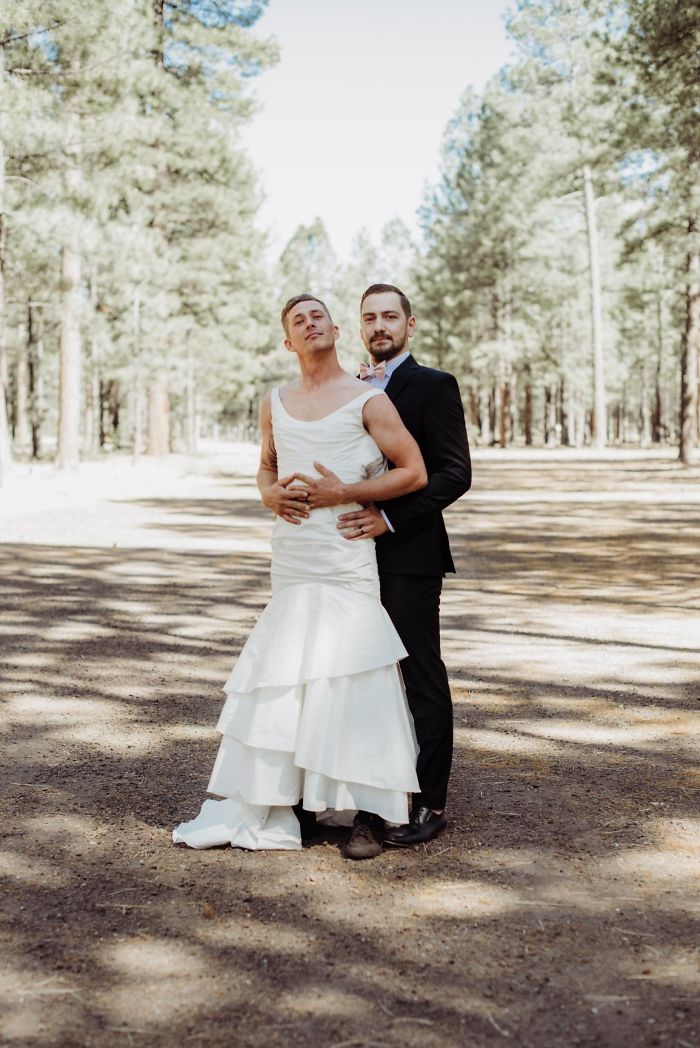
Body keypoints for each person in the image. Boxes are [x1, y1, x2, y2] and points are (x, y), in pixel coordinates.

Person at [173, 293, 427, 859]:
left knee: (354, 670)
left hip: (343, 552)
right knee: (290, 671)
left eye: (318, 316)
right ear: (288, 341)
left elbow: (414, 471)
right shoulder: (275, 401)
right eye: (297, 320)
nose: (310, 324)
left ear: (336, 330)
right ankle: (287, 798)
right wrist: (269, 498)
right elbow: (266, 468)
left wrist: (346, 493)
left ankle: (370, 814)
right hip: (293, 554)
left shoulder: (369, 400)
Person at [295, 284, 471, 848]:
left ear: (410, 325)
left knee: (418, 674)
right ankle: (357, 794)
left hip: (408, 557)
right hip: (346, 558)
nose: (379, 326)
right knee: (354, 676)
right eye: (369, 317)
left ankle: (430, 801)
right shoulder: (352, 387)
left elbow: (453, 473)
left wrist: (390, 521)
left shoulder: (433, 386)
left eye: (389, 316)